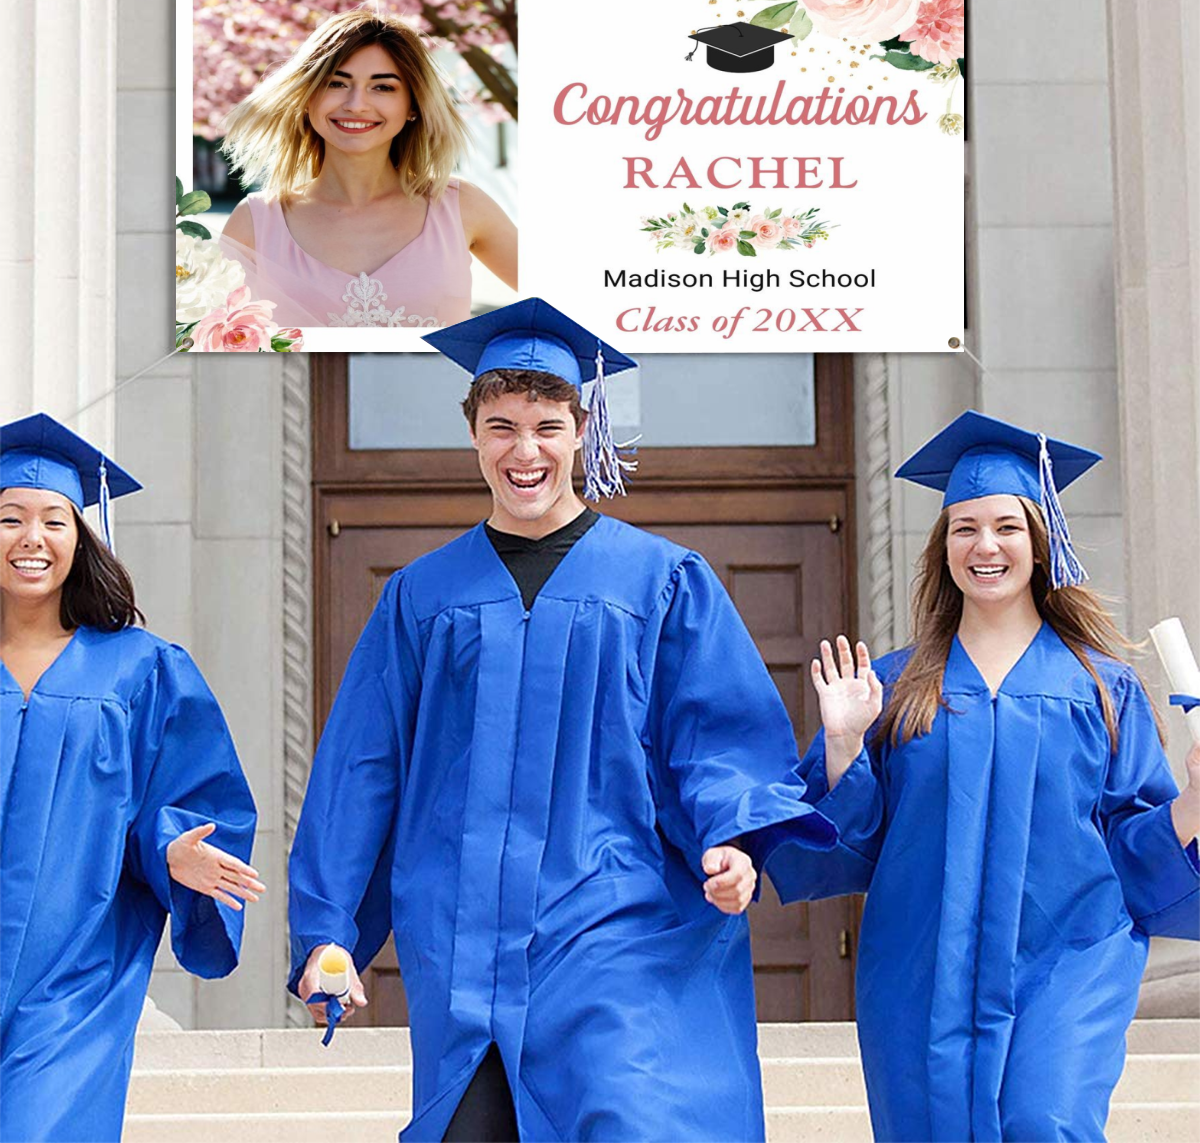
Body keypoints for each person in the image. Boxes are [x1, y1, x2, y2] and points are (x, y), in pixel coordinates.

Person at [287, 298, 838, 1142]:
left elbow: (717, 734)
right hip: (465, 943)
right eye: (502, 426)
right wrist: (328, 931)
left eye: (547, 426)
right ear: (473, 432)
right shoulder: (422, 597)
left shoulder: (662, 582)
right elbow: (364, 768)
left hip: (619, 924)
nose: (525, 450)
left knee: (628, 1117)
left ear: (583, 429)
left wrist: (733, 837)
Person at [776, 410, 1200, 1142]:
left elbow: (1137, 848)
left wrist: (1195, 800)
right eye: (965, 528)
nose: (986, 545)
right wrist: (844, 744)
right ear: (942, 549)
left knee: (1046, 1120)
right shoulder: (895, 686)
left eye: (1007, 526)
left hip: (1069, 954)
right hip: (921, 964)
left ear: (1042, 543)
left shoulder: (1104, 688)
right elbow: (847, 845)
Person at [0, 414, 263, 1143]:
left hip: (73, 978)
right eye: (9, 518)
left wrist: (172, 849)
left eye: (55, 519)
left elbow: (185, 795)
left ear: (81, 537)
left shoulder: (141, 669)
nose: (33, 538)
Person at [218, 7, 517, 330]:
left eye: (383, 87)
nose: (356, 104)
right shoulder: (255, 222)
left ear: (413, 106)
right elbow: (211, 344)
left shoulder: (460, 205)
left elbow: (567, 300)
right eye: (336, 83)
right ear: (307, 98)